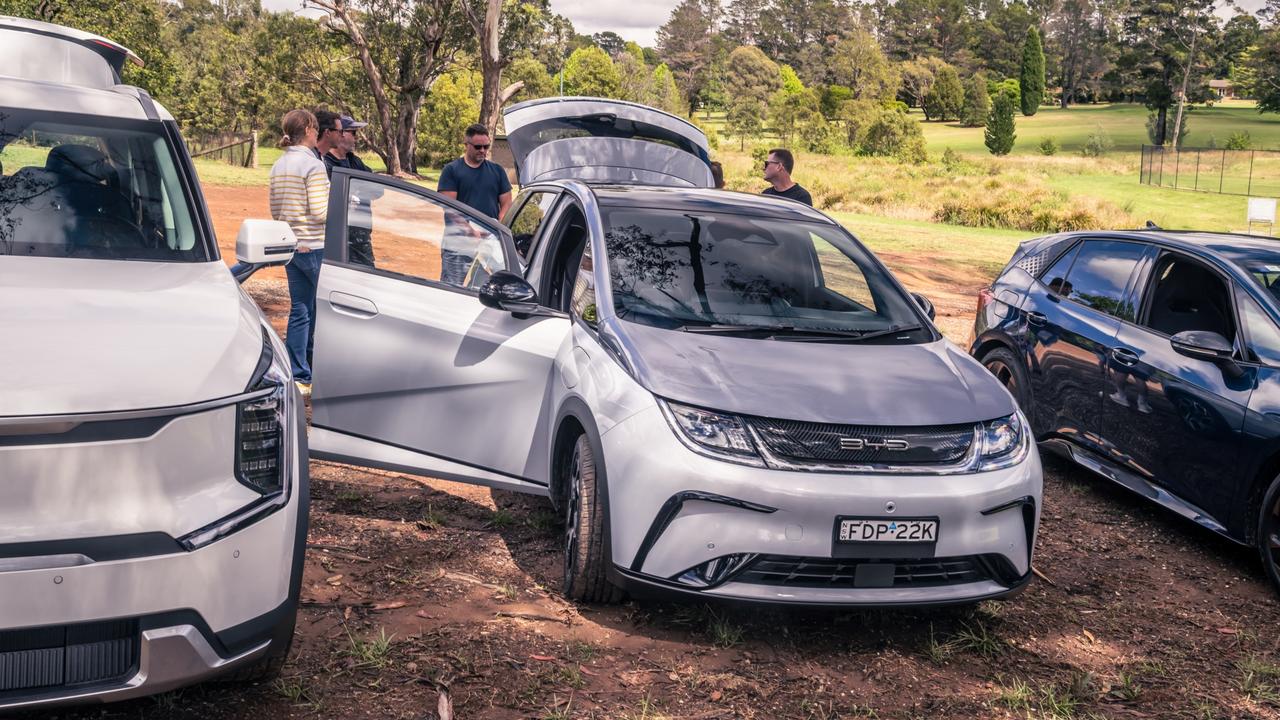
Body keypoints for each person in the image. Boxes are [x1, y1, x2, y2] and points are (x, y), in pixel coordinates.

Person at [270, 109, 329, 396]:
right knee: (321, 310)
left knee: (300, 310)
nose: (317, 133)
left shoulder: (279, 164)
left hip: (291, 244)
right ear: (307, 129)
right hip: (314, 244)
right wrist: (346, 204)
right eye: (315, 128)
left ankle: (300, 373)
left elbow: (274, 208)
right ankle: (314, 367)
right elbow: (320, 212)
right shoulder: (313, 166)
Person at [437, 123, 512, 284]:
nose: (483, 151)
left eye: (486, 146)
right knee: (451, 287)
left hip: (491, 238)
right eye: (478, 147)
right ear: (467, 145)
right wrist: (471, 231)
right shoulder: (451, 170)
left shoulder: (497, 170)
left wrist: (497, 226)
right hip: (458, 240)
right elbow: (449, 207)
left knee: (503, 283)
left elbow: (506, 202)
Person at [324, 115, 376, 267]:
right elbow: (334, 198)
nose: (357, 138)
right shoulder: (324, 163)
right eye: (353, 133)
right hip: (336, 238)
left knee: (366, 279)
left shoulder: (355, 161)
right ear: (341, 134)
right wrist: (359, 188)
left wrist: (354, 189)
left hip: (361, 237)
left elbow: (377, 190)